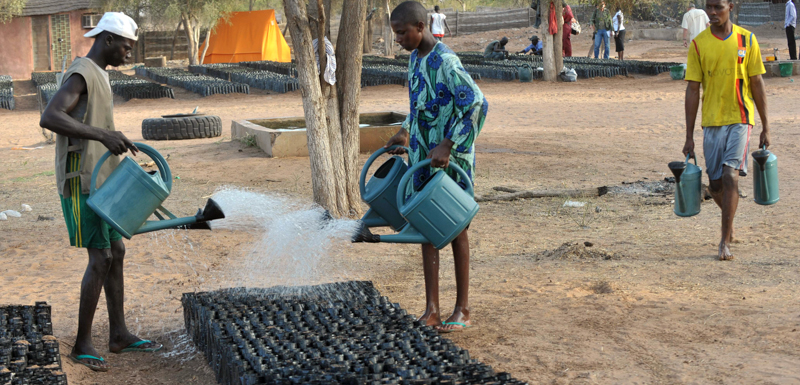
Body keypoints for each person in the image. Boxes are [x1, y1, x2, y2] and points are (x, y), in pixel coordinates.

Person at [39, 12, 163, 372]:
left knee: (117, 250)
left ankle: (119, 335)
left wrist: (113, 135)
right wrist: (102, 134)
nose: (129, 53)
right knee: (101, 258)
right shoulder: (81, 72)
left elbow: (92, 124)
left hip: (102, 181)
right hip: (81, 182)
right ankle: (82, 344)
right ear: (107, 39)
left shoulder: (101, 76)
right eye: (126, 46)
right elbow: (50, 117)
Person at [387, 0, 487, 333]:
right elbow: (417, 105)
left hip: (450, 161)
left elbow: (476, 103)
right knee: (426, 227)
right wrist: (404, 132)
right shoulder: (416, 60)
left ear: (421, 27)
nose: (399, 40)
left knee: (456, 228)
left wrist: (449, 143)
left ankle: (463, 309)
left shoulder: (447, 61)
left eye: (402, 33)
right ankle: (431, 309)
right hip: (422, 159)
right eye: (396, 34)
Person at [683, 0, 769, 261]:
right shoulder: (699, 44)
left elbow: (757, 82)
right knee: (715, 184)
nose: (712, 12)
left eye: (718, 7)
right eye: (708, 7)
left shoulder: (747, 40)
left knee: (731, 175)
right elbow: (693, 89)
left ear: (731, 6)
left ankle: (723, 241)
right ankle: (729, 224)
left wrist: (766, 125)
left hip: (741, 118)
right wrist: (688, 135)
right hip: (711, 122)